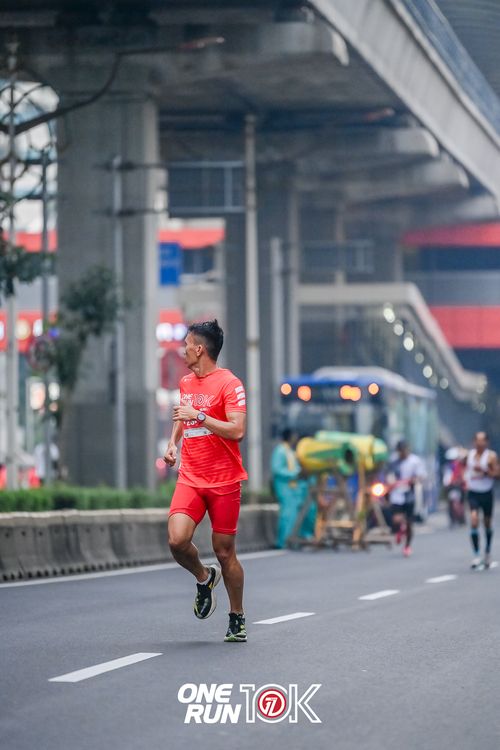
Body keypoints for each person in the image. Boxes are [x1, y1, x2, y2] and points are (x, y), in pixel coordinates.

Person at [163, 320, 248, 643]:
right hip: (191, 477)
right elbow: (183, 417)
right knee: (176, 540)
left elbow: (237, 430)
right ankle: (204, 577)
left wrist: (198, 416)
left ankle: (237, 616)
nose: (182, 349)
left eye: (186, 344)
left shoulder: (230, 384)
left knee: (225, 552)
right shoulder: (186, 382)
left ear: (200, 349)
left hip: (224, 481)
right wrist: (173, 443)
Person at [271, 429, 315, 548]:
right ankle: (283, 542)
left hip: (293, 488)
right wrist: (295, 474)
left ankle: (293, 540)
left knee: (295, 515)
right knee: (288, 515)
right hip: (284, 487)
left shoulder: (290, 451)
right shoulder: (280, 451)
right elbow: (277, 469)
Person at [465, 431, 498, 570]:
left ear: (486, 442)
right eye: (477, 440)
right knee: (473, 520)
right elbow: (462, 468)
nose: (479, 443)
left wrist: (485, 471)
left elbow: (497, 474)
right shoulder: (469, 455)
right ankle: (476, 555)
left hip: (486, 493)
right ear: (474, 442)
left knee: (487, 523)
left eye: (482, 440)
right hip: (473, 492)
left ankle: (488, 551)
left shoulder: (491, 456)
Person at [388, 440, 426, 557]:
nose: (402, 453)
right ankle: (400, 530)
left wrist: (413, 480)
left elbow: (421, 476)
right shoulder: (394, 461)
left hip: (409, 494)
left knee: (409, 523)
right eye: (400, 451)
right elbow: (389, 476)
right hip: (396, 494)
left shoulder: (415, 461)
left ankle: (407, 546)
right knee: (396, 519)